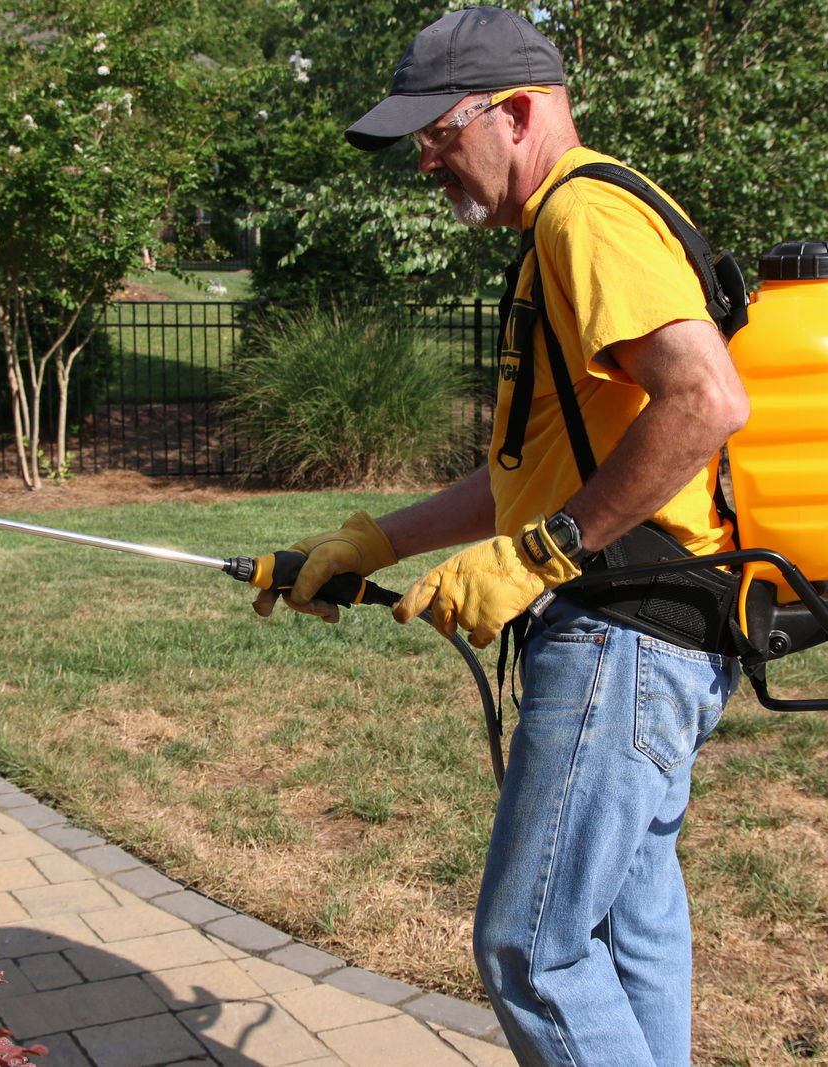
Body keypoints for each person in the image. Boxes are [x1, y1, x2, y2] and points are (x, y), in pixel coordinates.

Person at [249, 7, 749, 1064]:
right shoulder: (561, 229)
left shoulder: (583, 219)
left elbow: (704, 400)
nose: (424, 160)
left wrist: (540, 555)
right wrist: (370, 543)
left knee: (532, 949)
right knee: (624, 922)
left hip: (624, 635)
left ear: (516, 111)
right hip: (659, 633)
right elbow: (528, 474)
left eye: (436, 132)